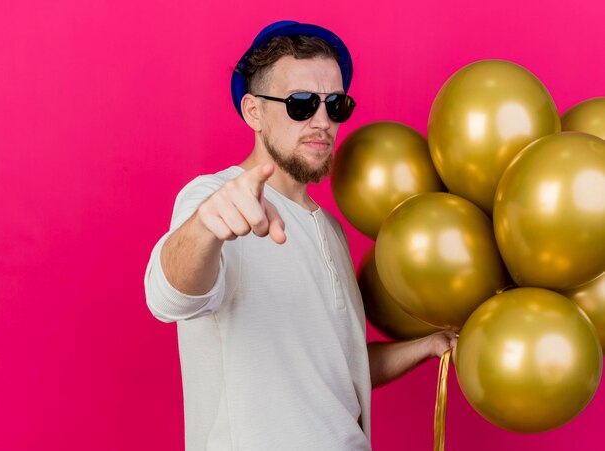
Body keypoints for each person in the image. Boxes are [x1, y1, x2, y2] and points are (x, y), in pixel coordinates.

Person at [144, 20, 456, 451]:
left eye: (336, 105)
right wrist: (205, 228)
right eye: (302, 104)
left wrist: (429, 345)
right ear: (253, 111)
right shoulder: (216, 199)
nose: (322, 121)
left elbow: (342, 368)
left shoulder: (329, 230)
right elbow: (169, 296)